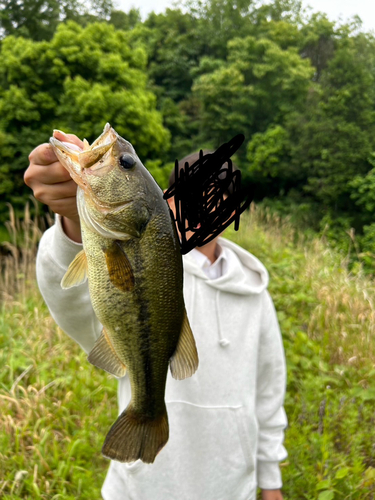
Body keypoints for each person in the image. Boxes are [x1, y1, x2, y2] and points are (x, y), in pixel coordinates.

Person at [24, 130, 288, 500]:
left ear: (229, 212)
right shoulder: (142, 249)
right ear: (168, 200)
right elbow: (71, 302)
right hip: (140, 489)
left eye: (217, 199)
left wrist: (270, 480)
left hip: (233, 486)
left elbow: (269, 388)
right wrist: (71, 224)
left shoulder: (254, 292)